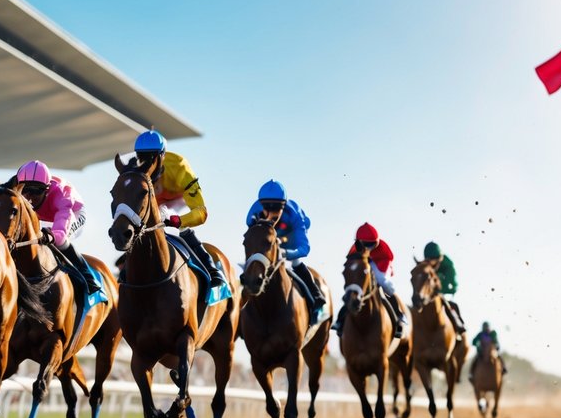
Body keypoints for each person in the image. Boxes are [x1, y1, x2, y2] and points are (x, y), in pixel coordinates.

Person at [132, 130, 224, 287]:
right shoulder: (134, 170)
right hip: (152, 204)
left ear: (162, 156)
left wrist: (179, 220)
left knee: (169, 222)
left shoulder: (180, 166)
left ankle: (211, 269)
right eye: (142, 157)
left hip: (177, 201)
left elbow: (202, 212)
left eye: (152, 158)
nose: (147, 164)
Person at [13, 159, 99, 290]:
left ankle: (89, 278)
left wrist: (56, 235)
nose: (29, 196)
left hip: (73, 213)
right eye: (25, 189)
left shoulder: (61, 195)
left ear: (47, 190)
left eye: (37, 191)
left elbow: (64, 218)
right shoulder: (15, 189)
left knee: (59, 241)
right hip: (43, 216)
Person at [244, 180, 326, 318]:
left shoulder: (294, 216)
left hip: (289, 238)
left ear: (283, 206)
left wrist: (284, 252)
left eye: (276, 208)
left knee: (296, 263)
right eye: (266, 207)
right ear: (261, 205)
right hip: (267, 240)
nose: (271, 212)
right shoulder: (253, 214)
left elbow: (304, 248)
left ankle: (316, 299)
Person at [335, 223, 405, 338]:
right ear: (359, 243)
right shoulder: (355, 249)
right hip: (364, 264)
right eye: (365, 245)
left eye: (371, 244)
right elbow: (350, 263)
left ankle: (398, 316)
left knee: (383, 282)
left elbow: (388, 259)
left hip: (381, 263)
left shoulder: (383, 248)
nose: (368, 248)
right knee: (353, 288)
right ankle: (340, 321)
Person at [423, 241, 466, 334]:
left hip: (443, 293)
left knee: (453, 306)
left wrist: (441, 291)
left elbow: (453, 286)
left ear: (439, 258)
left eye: (432, 259)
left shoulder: (448, 265)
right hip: (427, 295)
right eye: (428, 260)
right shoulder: (425, 266)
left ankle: (459, 326)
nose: (430, 262)